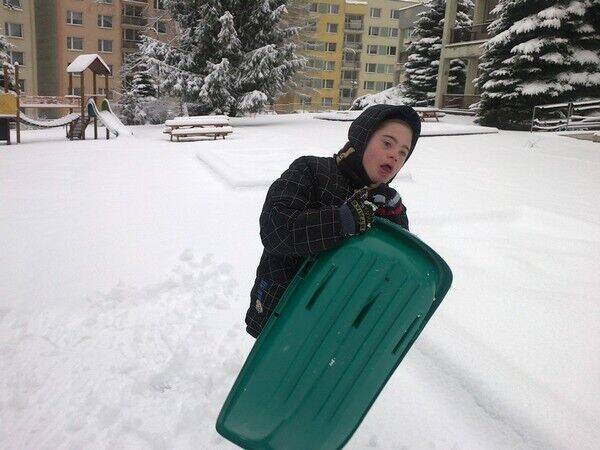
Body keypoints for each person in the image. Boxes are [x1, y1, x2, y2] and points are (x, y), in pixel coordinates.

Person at [245, 104, 422, 338]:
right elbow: (275, 231)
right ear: (362, 138)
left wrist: (396, 224)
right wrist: (340, 221)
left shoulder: (387, 204)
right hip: (282, 308)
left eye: (403, 153)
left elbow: (393, 272)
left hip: (336, 323)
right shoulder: (311, 171)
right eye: (387, 143)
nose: (395, 156)